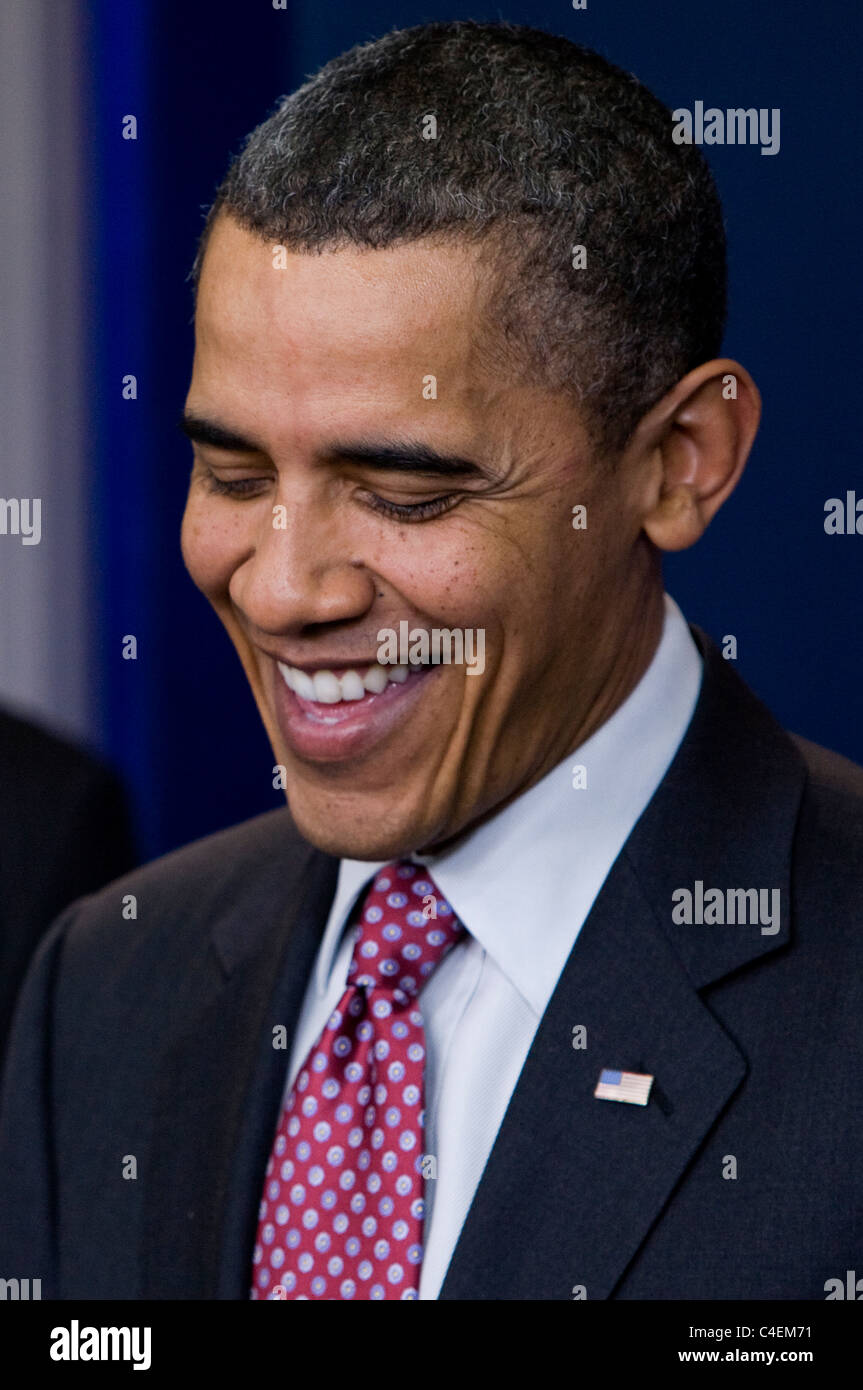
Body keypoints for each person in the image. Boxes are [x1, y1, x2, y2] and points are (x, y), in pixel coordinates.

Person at [1, 20, 860, 1301]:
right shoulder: (107, 983)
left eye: (402, 492)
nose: (284, 586)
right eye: (232, 472)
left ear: (679, 461)